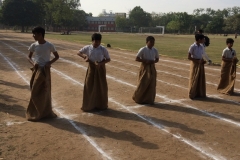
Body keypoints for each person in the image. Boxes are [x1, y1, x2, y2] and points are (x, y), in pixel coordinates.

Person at [27, 26, 59, 121]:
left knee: (45, 91)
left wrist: (49, 63)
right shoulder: (33, 45)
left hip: (45, 71)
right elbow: (28, 57)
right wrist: (33, 63)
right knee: (34, 89)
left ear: (40, 34)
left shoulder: (49, 45)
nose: (33, 36)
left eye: (35, 34)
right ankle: (35, 111)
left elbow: (57, 56)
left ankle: (46, 112)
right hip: (36, 70)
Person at [77, 33, 110, 112]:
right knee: (89, 86)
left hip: (100, 68)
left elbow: (108, 59)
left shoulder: (103, 49)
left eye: (98, 42)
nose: (97, 43)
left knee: (101, 86)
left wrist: (100, 64)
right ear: (92, 41)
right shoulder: (88, 48)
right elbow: (78, 52)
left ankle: (101, 105)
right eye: (95, 41)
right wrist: (85, 56)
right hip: (91, 67)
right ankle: (88, 105)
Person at [132, 36, 159, 104]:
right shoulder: (143, 49)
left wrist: (153, 61)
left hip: (152, 67)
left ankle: (149, 99)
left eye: (153, 42)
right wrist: (145, 61)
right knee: (143, 83)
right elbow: (137, 58)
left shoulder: (155, 50)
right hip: (144, 67)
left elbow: (157, 59)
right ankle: (138, 98)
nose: (152, 43)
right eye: (151, 42)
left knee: (152, 84)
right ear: (147, 42)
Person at [188, 34, 207, 99]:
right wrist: (196, 61)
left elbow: (201, 55)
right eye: (203, 39)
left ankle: (200, 93)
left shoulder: (201, 46)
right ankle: (192, 93)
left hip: (200, 63)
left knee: (200, 78)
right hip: (195, 64)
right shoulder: (192, 46)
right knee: (194, 78)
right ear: (199, 39)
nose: (204, 40)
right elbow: (189, 57)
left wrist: (203, 61)